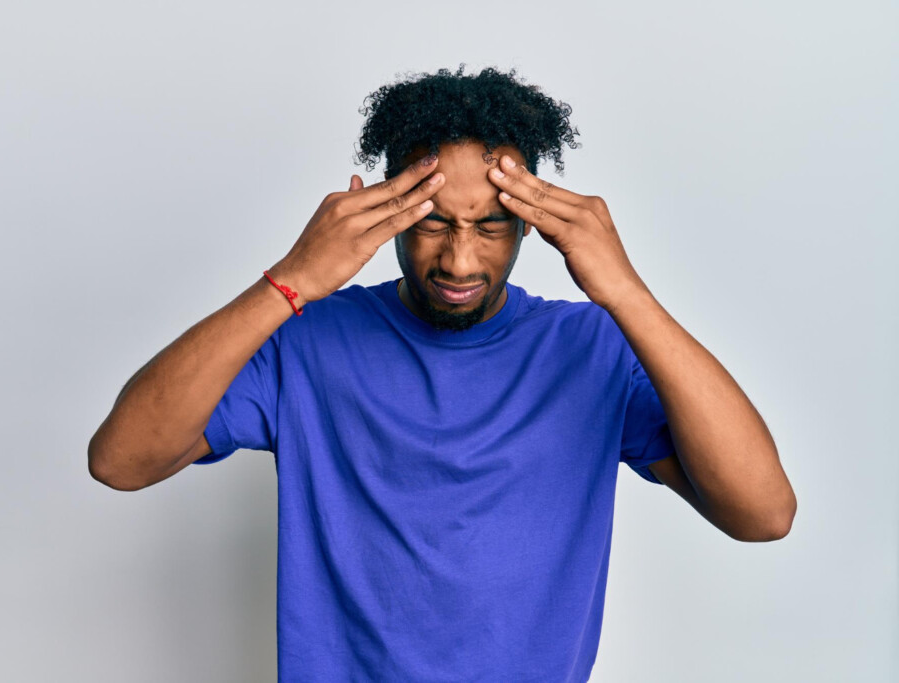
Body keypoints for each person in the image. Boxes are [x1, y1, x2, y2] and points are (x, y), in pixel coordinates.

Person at [88, 65, 797, 682]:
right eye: (433, 222)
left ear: (530, 224)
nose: (460, 261)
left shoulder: (592, 349)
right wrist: (291, 280)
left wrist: (625, 292)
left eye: (489, 225)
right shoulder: (306, 343)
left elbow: (763, 513)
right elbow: (121, 460)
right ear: (391, 214)